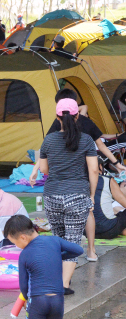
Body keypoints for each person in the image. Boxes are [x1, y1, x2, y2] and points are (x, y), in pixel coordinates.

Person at [30, 89, 124, 261]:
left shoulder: (54, 129)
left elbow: (45, 156)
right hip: (82, 180)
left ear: (58, 113)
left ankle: (63, 262)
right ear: (77, 110)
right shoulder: (85, 128)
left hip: (59, 186)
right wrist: (116, 164)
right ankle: (91, 251)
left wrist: (39, 170)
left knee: (61, 231)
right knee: (86, 213)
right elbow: (99, 152)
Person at [38, 98, 98, 295]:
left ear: (57, 117)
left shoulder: (49, 140)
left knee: (58, 238)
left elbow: (45, 169)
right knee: (72, 241)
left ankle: (58, 279)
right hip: (77, 196)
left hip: (52, 195)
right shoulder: (86, 140)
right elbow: (94, 171)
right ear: (77, 116)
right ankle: (63, 284)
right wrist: (90, 195)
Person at [4, 215, 84, 318]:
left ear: (23, 237)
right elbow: (78, 250)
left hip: (38, 301)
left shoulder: (24, 254)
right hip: (57, 300)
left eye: (15, 243)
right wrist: (57, 256)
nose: (16, 246)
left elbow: (23, 286)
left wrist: (26, 299)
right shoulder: (55, 240)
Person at [92, 157, 126, 239]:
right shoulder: (107, 180)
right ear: (100, 166)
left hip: (87, 231)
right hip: (109, 230)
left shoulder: (80, 182)